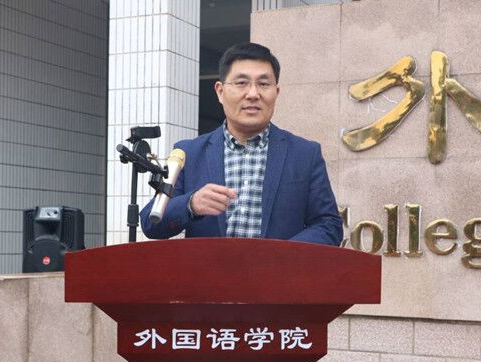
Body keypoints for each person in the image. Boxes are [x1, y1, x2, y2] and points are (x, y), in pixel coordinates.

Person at [140, 42, 343, 246]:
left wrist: (283, 255)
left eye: (263, 84)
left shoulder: (305, 154)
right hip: (208, 268)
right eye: (241, 83)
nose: (253, 94)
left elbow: (329, 226)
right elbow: (151, 222)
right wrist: (191, 204)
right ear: (220, 91)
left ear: (277, 92)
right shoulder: (189, 153)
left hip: (280, 267)